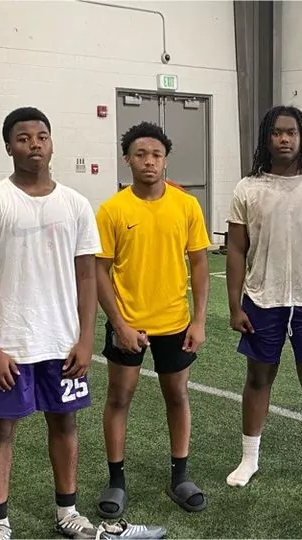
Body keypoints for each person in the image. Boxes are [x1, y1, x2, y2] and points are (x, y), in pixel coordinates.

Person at [0, 107, 101, 540]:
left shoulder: (75, 204)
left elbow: (87, 277)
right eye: (23, 138)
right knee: (0, 430)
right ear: (9, 147)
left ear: (52, 144)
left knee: (65, 423)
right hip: (11, 343)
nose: (34, 144)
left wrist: (86, 339)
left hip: (62, 343)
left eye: (42, 136)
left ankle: (67, 513)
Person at [225, 105, 302, 489]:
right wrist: (234, 306)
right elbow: (235, 250)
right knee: (258, 378)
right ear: (267, 138)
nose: (284, 139)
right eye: (277, 132)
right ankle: (249, 459)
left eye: (291, 132)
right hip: (262, 300)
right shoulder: (248, 187)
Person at [95, 121, 210, 518]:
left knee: (177, 396)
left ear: (165, 160)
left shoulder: (186, 205)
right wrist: (120, 325)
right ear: (127, 160)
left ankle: (180, 476)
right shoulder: (112, 209)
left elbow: (199, 264)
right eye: (140, 154)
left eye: (156, 155)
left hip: (175, 323)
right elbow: (99, 271)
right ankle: (116, 481)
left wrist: (198, 321)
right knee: (119, 398)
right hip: (128, 323)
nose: (149, 161)